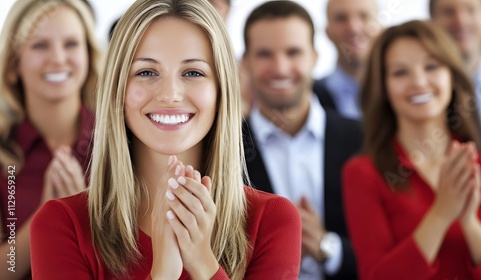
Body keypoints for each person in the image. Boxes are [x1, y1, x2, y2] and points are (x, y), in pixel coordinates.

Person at [30, 0, 302, 279]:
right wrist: (162, 272)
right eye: (146, 72)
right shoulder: (60, 225)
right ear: (117, 90)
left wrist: (203, 263)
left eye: (193, 72)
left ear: (221, 92)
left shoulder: (273, 221)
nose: (170, 94)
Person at [343, 20, 481, 280]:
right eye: (400, 72)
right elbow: (376, 276)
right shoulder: (363, 174)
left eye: (431, 67)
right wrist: (441, 214)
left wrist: (469, 221)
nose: (418, 81)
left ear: (452, 76)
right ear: (383, 87)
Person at [241, 1, 362, 279]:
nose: (280, 68)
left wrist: (326, 246)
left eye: (293, 52)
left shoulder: (363, 138)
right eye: (264, 54)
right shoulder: (223, 148)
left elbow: (386, 253)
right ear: (246, 61)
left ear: (315, 56)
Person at [0, 0, 101, 278]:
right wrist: (47, 217)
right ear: (13, 63)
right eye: (40, 45)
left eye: (71, 44)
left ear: (89, 55)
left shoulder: (120, 141)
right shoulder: (3, 153)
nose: (57, 58)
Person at [430, 0, 481, 154]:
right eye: (448, 12)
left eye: (471, 10)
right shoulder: (426, 89)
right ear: (432, 24)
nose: (461, 21)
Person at [313, 0, 380, 120]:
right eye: (341, 18)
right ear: (327, 32)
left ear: (379, 26)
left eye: (364, 16)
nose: (354, 28)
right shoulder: (311, 97)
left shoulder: (402, 92)